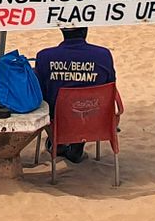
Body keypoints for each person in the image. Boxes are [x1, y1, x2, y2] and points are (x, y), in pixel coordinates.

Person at [34, 27, 116, 163]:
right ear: (86, 30)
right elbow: (111, 84)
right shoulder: (103, 55)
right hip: (95, 117)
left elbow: (40, 90)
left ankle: (57, 143)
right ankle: (77, 145)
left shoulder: (45, 56)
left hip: (58, 119)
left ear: (62, 30)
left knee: (48, 102)